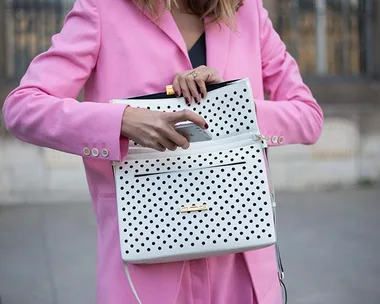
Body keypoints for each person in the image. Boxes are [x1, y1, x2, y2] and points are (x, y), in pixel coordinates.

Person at [2, 0, 324, 303]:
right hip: (146, 268)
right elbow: (23, 107)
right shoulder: (104, 8)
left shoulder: (246, 9)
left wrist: (229, 105)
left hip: (242, 267)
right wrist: (124, 121)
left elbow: (309, 116)